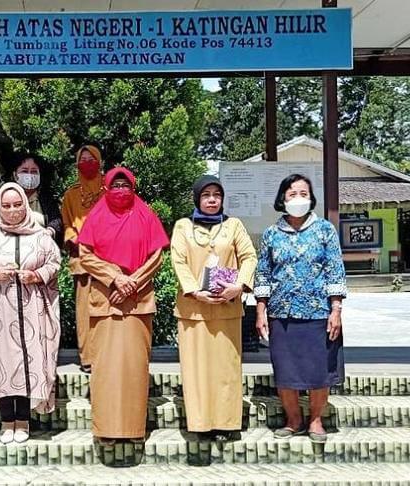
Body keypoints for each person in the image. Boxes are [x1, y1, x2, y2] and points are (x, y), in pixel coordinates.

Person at [77, 167, 169, 445]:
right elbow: (86, 255)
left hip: (137, 304)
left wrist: (132, 283)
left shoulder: (146, 214)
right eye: (114, 185)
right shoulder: (96, 216)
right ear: (105, 188)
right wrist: (115, 278)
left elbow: (157, 256)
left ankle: (133, 430)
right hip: (105, 303)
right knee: (105, 369)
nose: (120, 190)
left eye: (124, 185)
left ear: (133, 186)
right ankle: (105, 430)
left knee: (134, 368)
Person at [255, 174, 346, 444]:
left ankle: (316, 420)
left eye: (303, 193)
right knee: (286, 369)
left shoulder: (325, 230)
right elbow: (263, 274)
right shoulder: (272, 234)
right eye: (292, 194)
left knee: (319, 370)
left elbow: (335, 270)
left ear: (311, 198)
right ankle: (293, 420)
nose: (298, 199)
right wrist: (261, 310)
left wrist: (336, 309)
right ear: (283, 199)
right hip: (281, 313)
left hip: (318, 313)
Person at [0, 182, 61, 445]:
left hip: (32, 311)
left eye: (17, 204)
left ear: (26, 205)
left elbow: (55, 262)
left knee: (28, 361)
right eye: (6, 206)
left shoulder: (41, 235)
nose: (12, 210)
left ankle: (24, 420)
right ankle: (7, 420)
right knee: (2, 363)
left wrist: (36, 275)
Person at [169, 175, 257, 440]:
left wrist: (239, 286)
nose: (211, 200)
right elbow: (179, 260)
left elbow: (249, 256)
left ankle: (227, 424)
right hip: (193, 311)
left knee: (226, 369)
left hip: (226, 308)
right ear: (197, 198)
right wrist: (195, 291)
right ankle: (200, 424)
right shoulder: (183, 226)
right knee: (197, 370)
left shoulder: (234, 225)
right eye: (206, 194)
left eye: (216, 195)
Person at [61, 145, 105, 374]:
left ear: (100, 161)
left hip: (109, 261)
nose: (87, 163)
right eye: (83, 159)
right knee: (85, 310)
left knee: (109, 309)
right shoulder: (70, 194)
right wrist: (74, 238)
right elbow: (68, 225)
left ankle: (107, 355)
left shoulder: (111, 189)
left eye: (91, 159)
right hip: (83, 259)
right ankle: (87, 358)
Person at [0, 153, 62, 243]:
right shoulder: (4, 195)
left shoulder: (46, 198)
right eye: (24, 171)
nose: (29, 175)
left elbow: (56, 221)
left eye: (34, 171)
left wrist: (50, 231)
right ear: (15, 174)